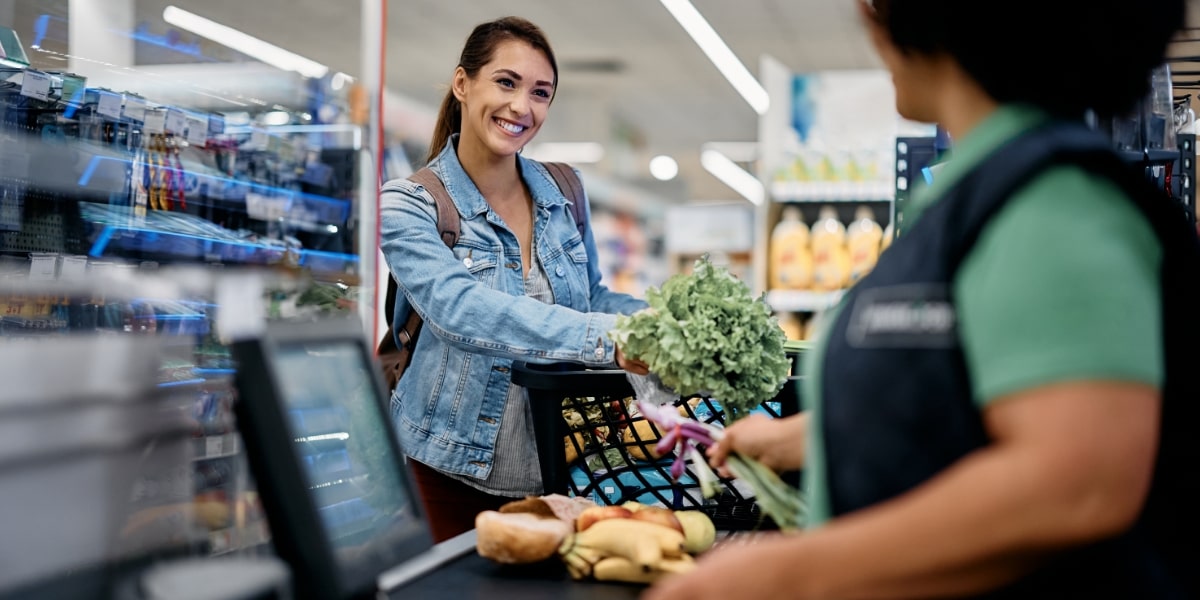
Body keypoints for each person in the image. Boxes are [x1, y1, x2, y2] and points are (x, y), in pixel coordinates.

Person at [646, 0, 1198, 598]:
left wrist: (788, 573)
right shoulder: (979, 194)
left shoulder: (1055, 206)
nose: (868, 21)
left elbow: (1078, 484)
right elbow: (958, 402)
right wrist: (797, 438)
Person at [379, 16, 648, 543]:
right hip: (445, 472)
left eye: (540, 93)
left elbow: (591, 296)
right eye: (506, 82)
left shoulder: (562, 189)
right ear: (463, 83)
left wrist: (661, 323)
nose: (522, 107)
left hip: (562, 468)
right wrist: (606, 340)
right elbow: (460, 310)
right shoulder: (409, 205)